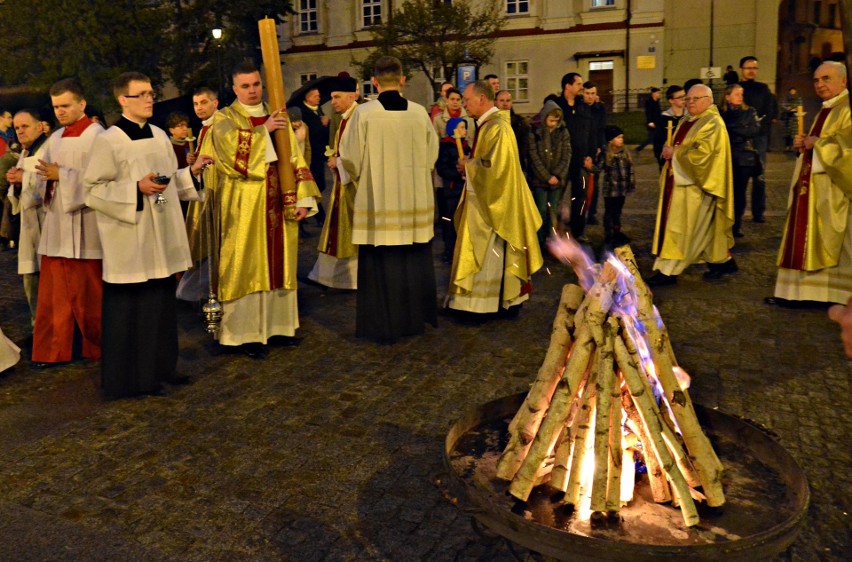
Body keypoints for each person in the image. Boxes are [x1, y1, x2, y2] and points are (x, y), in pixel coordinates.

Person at [83, 71, 212, 398]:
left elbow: (166, 187)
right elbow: (92, 192)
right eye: (141, 94)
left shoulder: (158, 135)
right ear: (122, 100)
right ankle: (132, 380)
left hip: (159, 238)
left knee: (160, 310)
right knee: (132, 314)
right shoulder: (108, 140)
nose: (149, 98)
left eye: (150, 92)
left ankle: (162, 369)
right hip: (129, 240)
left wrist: (188, 176)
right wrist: (135, 189)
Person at [209, 61, 321, 358]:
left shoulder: (276, 114)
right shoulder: (224, 118)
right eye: (245, 86)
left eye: (256, 84)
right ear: (234, 89)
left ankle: (278, 328)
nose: (252, 91)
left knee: (280, 263)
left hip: (278, 202)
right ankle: (244, 335)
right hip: (244, 206)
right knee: (247, 265)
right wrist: (263, 131)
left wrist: (303, 199)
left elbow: (295, 157)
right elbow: (233, 158)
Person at [339, 56, 439, 342]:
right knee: (412, 261)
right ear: (403, 80)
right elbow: (431, 156)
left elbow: (351, 158)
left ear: (374, 81)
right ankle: (412, 322)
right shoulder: (420, 113)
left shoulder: (365, 113)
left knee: (382, 265)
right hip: (414, 205)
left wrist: (363, 179)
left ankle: (383, 325)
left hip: (379, 204)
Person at [446, 80, 543, 317]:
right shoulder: (488, 125)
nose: (464, 105)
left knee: (487, 252)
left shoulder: (497, 127)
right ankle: (492, 302)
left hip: (494, 204)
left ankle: (480, 306)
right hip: (488, 198)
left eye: (467, 100)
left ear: (481, 99)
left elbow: (496, 169)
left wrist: (468, 166)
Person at [766, 61, 851, 307]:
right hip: (811, 187)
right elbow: (819, 143)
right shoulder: (827, 108)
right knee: (803, 236)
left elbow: (847, 149)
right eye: (816, 80)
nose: (820, 84)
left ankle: (828, 295)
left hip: (831, 191)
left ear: (843, 81)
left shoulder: (846, 109)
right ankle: (797, 293)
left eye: (826, 79)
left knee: (830, 242)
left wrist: (819, 145)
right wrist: (803, 145)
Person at [31, 78, 104, 366]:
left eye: (65, 105)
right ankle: (54, 350)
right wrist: (34, 178)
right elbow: (42, 173)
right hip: (58, 225)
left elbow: (103, 179)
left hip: (86, 223)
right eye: (56, 107)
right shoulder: (56, 138)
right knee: (55, 296)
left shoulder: (98, 136)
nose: (59, 112)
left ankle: (95, 345)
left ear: (81, 104)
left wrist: (63, 176)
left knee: (89, 294)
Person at [648, 84, 737, 286]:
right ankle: (722, 262)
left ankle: (668, 271)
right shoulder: (689, 120)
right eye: (687, 99)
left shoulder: (712, 123)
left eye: (694, 99)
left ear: (708, 100)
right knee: (704, 229)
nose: (690, 103)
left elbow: (704, 157)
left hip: (696, 186)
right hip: (682, 184)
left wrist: (676, 154)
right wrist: (668, 149)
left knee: (682, 230)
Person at [307, 74, 360, 289]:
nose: (333, 102)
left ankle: (349, 278)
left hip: (354, 187)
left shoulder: (359, 118)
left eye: (337, 97)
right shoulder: (346, 117)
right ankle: (331, 275)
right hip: (343, 184)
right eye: (332, 97)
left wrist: (338, 162)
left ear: (350, 96)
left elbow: (360, 154)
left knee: (350, 229)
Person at [5, 109, 48, 327]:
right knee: (31, 279)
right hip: (29, 225)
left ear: (40, 126)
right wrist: (15, 179)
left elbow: (51, 186)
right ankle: (38, 327)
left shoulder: (48, 149)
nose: (20, 131)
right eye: (17, 128)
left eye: (25, 126)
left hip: (47, 225)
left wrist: (24, 178)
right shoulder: (25, 152)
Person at [177, 87, 220, 303]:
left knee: (212, 241)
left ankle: (209, 288)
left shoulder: (221, 126)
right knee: (201, 240)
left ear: (216, 103)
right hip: (202, 191)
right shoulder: (203, 129)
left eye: (203, 102)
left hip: (215, 193)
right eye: (195, 104)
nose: (199, 108)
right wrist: (193, 163)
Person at [554, 72, 595, 240]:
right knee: (556, 196)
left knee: (580, 197)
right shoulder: (556, 107)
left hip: (580, 160)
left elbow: (591, 131)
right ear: (567, 86)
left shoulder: (583, 107)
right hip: (561, 161)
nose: (581, 87)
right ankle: (554, 231)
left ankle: (578, 231)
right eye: (578, 84)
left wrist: (590, 155)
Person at [738, 55, 777, 223]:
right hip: (740, 138)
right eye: (748, 68)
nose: (752, 71)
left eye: (754, 68)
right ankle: (737, 214)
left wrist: (761, 126)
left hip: (759, 137)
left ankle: (758, 212)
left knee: (760, 176)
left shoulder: (763, 89)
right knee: (740, 178)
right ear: (742, 69)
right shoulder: (736, 88)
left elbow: (770, 110)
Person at [720, 84, 761, 239]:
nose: (740, 97)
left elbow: (754, 130)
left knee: (739, 193)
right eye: (736, 94)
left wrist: (732, 129)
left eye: (741, 94)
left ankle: (736, 225)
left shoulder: (749, 111)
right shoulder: (720, 112)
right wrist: (738, 129)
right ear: (727, 96)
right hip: (725, 156)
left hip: (744, 159)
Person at [527, 100, 570, 250]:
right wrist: (546, 176)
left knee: (553, 211)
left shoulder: (563, 131)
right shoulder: (535, 131)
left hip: (556, 180)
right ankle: (538, 242)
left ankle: (552, 241)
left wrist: (557, 175)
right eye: (551, 120)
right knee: (540, 210)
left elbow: (566, 155)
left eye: (556, 121)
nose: (553, 124)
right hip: (540, 180)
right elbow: (534, 157)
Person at [435, 117, 470, 264]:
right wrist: (457, 175)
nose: (464, 130)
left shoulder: (466, 146)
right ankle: (449, 250)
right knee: (450, 221)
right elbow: (442, 169)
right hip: (451, 190)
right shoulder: (446, 146)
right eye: (461, 127)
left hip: (464, 188)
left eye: (465, 127)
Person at [600, 125, 635, 246]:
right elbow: (598, 168)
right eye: (618, 137)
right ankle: (608, 233)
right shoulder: (606, 154)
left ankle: (616, 231)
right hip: (610, 191)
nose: (621, 140)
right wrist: (590, 167)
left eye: (622, 137)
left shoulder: (625, 153)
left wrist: (631, 184)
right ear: (610, 140)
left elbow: (630, 169)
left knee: (618, 212)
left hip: (621, 190)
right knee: (609, 212)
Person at [300, 86, 329, 223]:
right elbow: (310, 133)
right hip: (309, 155)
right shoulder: (303, 113)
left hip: (319, 154)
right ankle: (319, 216)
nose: (319, 98)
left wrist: (325, 124)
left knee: (319, 184)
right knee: (313, 185)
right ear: (307, 98)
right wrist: (320, 124)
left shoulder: (319, 110)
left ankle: (313, 213)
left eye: (318, 95)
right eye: (315, 96)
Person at [582, 81, 607, 225]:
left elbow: (601, 128)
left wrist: (600, 147)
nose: (590, 97)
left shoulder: (600, 109)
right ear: (583, 93)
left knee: (594, 184)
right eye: (587, 93)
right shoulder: (580, 108)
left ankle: (591, 213)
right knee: (581, 184)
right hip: (582, 149)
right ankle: (579, 212)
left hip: (596, 150)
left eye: (593, 94)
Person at [495, 90, 530, 175]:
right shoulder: (490, 122)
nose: (505, 104)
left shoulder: (520, 123)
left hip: (515, 166)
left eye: (508, 100)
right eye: (502, 100)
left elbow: (524, 146)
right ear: (495, 102)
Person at [653, 85, 687, 170]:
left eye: (684, 96)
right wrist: (662, 160)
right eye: (680, 97)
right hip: (669, 164)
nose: (684, 99)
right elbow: (658, 142)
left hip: (686, 162)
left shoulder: (690, 117)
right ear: (671, 101)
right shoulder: (663, 118)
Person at [635, 87, 662, 153]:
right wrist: (650, 122)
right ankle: (639, 148)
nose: (659, 94)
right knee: (651, 138)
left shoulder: (657, 102)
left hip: (658, 122)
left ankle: (659, 149)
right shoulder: (649, 102)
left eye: (659, 93)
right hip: (652, 123)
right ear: (653, 93)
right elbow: (648, 112)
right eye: (658, 93)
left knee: (658, 136)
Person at [780, 87, 802, 151]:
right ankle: (787, 146)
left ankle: (792, 146)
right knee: (787, 133)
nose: (793, 92)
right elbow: (783, 105)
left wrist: (795, 109)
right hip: (787, 117)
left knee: (794, 133)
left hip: (795, 118)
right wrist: (789, 109)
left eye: (794, 91)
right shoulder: (786, 98)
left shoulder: (798, 98)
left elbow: (800, 106)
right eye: (791, 91)